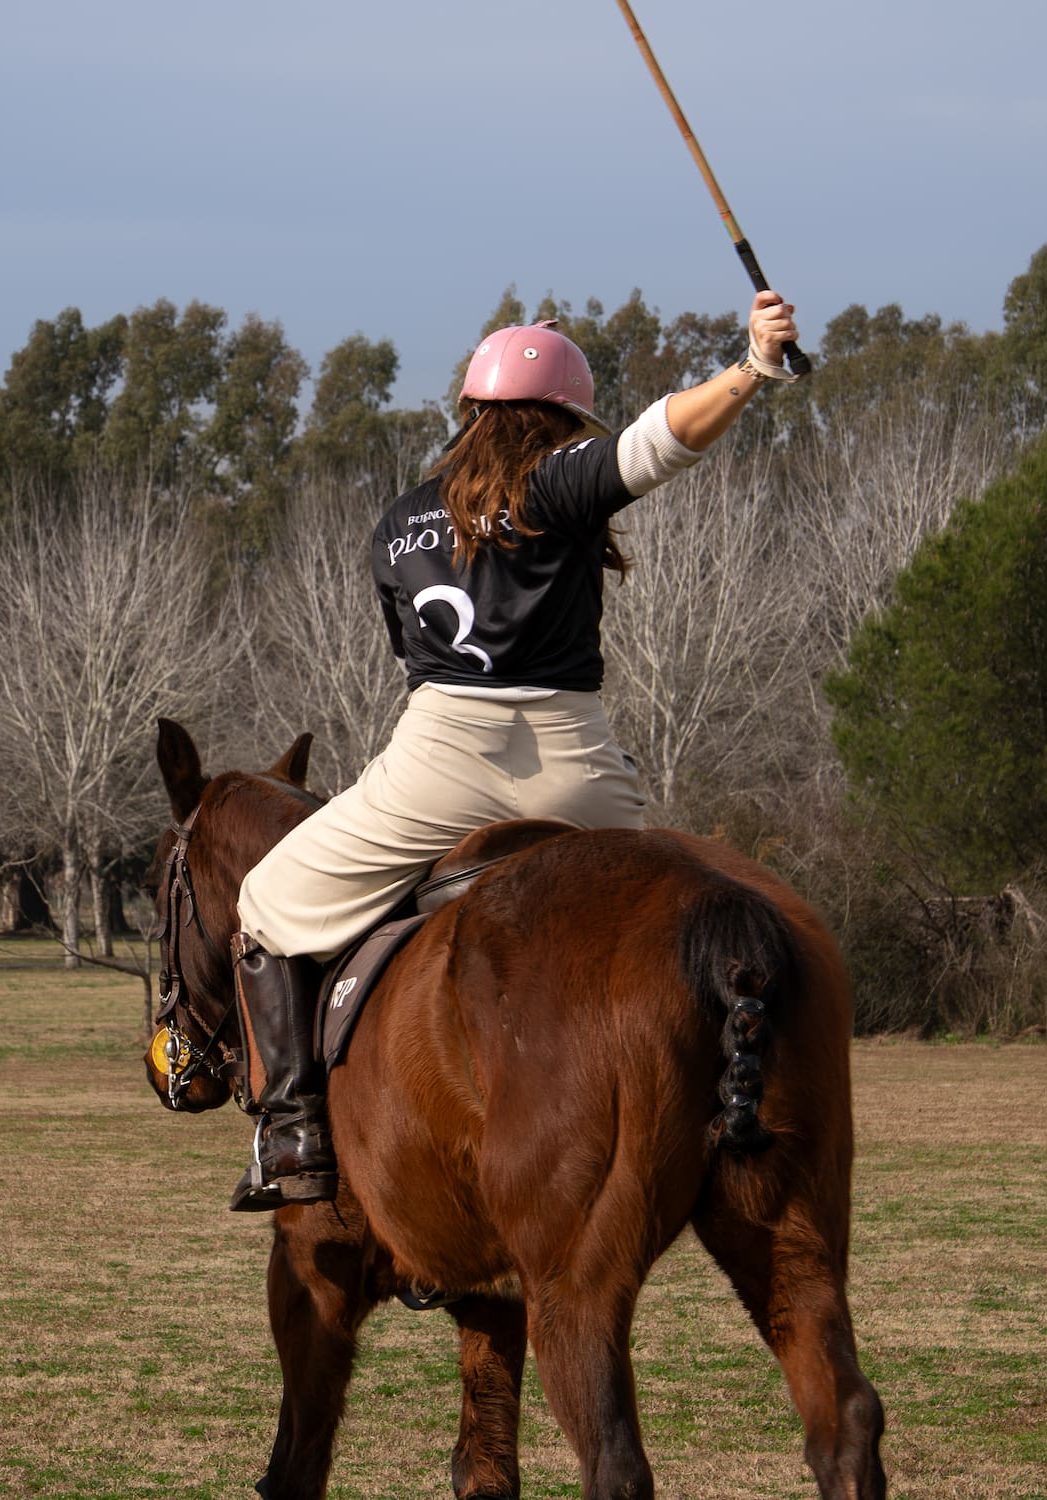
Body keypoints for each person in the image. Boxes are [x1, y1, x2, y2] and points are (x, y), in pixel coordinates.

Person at [225, 289, 803, 1210]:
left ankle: (293, 1133)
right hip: (576, 765)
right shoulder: (561, 481)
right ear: (563, 420)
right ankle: (718, 1104)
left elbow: (413, 662)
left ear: (470, 414)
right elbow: (663, 438)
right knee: (669, 919)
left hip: (439, 755)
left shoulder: (399, 523)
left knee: (265, 904)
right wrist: (751, 367)